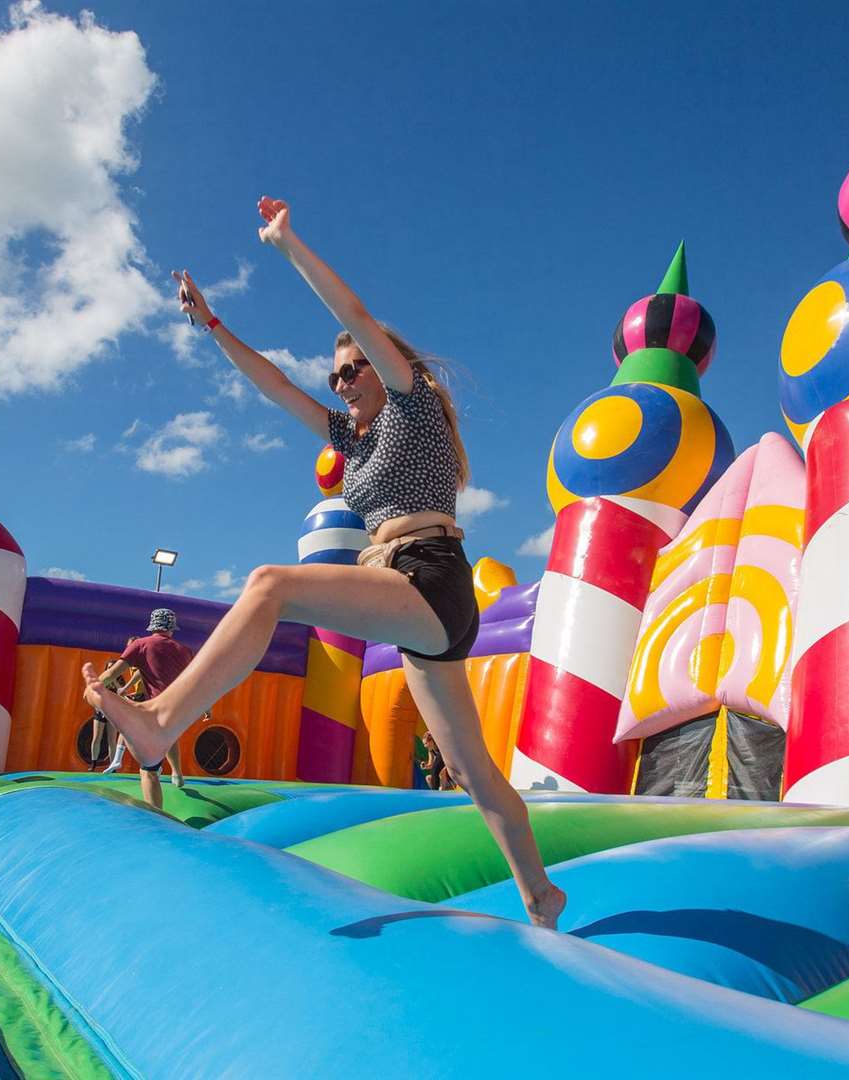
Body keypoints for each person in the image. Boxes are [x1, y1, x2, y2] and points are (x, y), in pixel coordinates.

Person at [84, 196, 565, 928]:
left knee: (268, 584)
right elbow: (275, 385)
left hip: (429, 575)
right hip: (404, 596)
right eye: (336, 375)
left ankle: (158, 721)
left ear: (381, 366)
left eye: (351, 369)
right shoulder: (354, 437)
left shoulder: (410, 404)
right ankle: (541, 894)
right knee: (469, 771)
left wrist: (288, 245)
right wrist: (212, 325)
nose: (340, 383)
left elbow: (358, 312)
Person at [83, 610, 193, 810]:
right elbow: (196, 682)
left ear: (152, 626)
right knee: (170, 737)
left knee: (149, 770)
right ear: (172, 629)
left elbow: (112, 673)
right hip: (180, 709)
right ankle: (177, 773)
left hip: (156, 710)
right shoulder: (184, 650)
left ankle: (156, 815)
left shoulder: (141, 644)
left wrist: (92, 687)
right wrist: (206, 707)